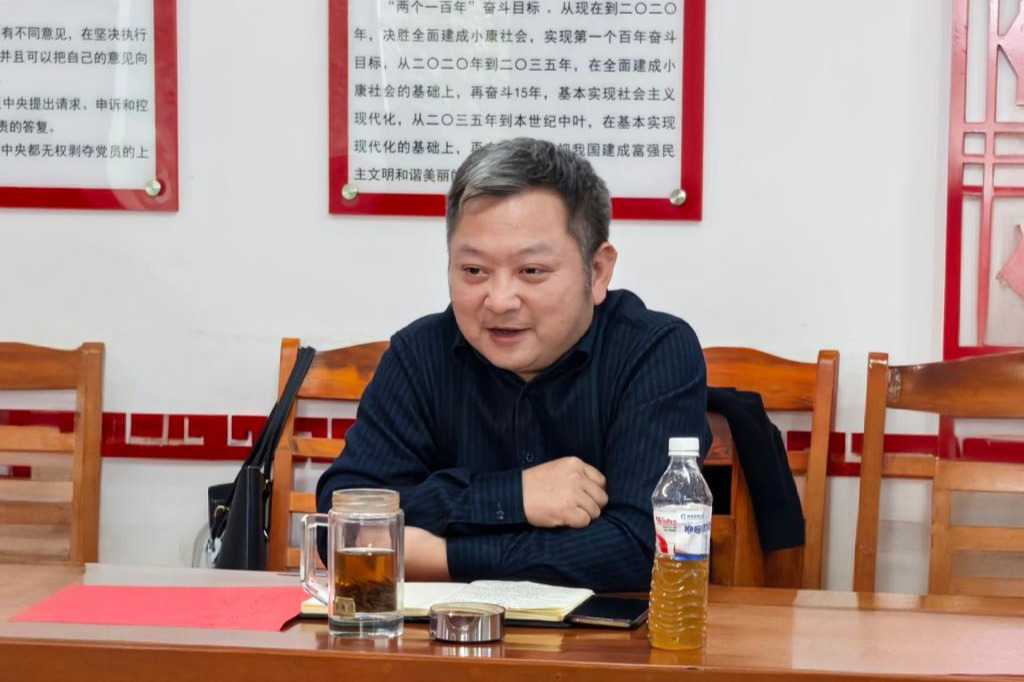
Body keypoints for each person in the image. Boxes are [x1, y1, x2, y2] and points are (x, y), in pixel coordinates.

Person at [316, 137, 711, 591]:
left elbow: (645, 548)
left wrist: (442, 556)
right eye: (474, 271)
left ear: (598, 270)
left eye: (531, 271)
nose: (500, 300)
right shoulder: (419, 354)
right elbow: (342, 530)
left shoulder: (653, 351)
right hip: (445, 634)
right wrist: (514, 496)